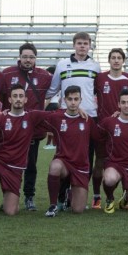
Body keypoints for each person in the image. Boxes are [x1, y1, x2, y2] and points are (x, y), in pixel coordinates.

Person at [0, 85, 50, 217]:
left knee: (11, 212)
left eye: (21, 96)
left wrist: (76, 110)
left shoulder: (31, 117)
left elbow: (55, 116)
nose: (18, 99)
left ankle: (7, 201)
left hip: (14, 169)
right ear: (9, 99)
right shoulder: (0, 118)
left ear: (26, 99)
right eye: (15, 96)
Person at [46, 32, 102, 207]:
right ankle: (62, 196)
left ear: (90, 46)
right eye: (79, 43)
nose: (82, 46)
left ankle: (78, 190)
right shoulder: (62, 65)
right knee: (64, 157)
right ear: (74, 45)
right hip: (66, 118)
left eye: (86, 43)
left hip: (89, 117)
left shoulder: (95, 66)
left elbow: (97, 92)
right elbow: (52, 89)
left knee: (86, 157)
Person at [1, 42, 53, 211]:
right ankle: (8, 194)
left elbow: (60, 91)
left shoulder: (44, 75)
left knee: (31, 165)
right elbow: (1, 96)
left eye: (31, 57)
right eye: (25, 56)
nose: (28, 60)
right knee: (10, 163)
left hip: (33, 130)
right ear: (20, 57)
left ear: (35, 58)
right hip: (12, 129)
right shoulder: (7, 73)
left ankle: (29, 196)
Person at [41, 86, 99, 217]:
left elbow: (99, 136)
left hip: (81, 167)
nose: (73, 102)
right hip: (64, 162)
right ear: (64, 100)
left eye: (76, 99)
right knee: (55, 166)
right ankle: (53, 205)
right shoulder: (56, 117)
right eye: (70, 99)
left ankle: (69, 194)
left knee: (78, 210)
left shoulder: (87, 120)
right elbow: (34, 118)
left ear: (81, 100)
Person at [93, 48, 128, 206]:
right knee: (99, 161)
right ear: (109, 60)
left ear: (123, 61)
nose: (116, 60)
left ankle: (126, 194)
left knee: (125, 160)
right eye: (113, 57)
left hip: (124, 129)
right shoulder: (99, 78)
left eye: (119, 58)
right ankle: (97, 196)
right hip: (104, 128)